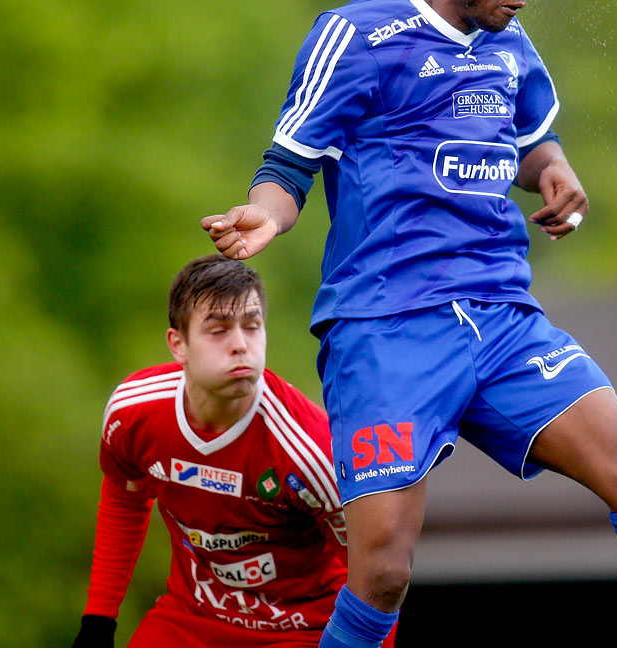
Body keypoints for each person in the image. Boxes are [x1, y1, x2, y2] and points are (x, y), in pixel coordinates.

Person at [203, 0, 617, 648]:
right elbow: (289, 164)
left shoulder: (511, 47)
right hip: (389, 327)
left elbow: (529, 142)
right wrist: (265, 214)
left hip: (500, 317)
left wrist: (554, 170)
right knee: (382, 570)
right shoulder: (356, 34)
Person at [72, 255, 395, 648]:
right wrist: (99, 620)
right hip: (192, 617)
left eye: (252, 327)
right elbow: (125, 501)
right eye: (218, 330)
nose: (241, 345)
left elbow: (377, 572)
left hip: (302, 629)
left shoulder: (313, 452)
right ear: (178, 344)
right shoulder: (132, 412)